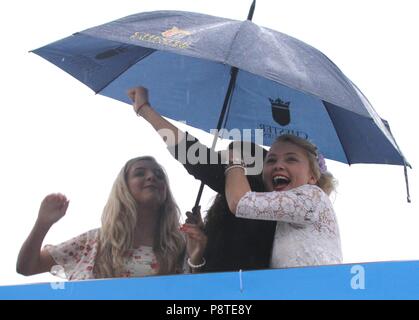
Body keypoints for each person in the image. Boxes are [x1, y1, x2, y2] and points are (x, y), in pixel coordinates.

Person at [128, 87, 277, 272]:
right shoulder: (227, 218)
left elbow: (192, 154)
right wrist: (202, 244)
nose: (225, 165)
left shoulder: (260, 205)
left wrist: (145, 110)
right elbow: (208, 272)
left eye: (230, 164)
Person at [16, 156, 206, 280]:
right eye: (140, 173)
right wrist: (43, 224)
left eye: (159, 175)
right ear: (123, 188)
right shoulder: (93, 241)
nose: (152, 177)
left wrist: (196, 256)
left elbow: (203, 296)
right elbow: (27, 267)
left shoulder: (181, 244)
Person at [224, 134, 343, 268]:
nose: (278, 165)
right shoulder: (280, 219)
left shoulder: (313, 195)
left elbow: (239, 202)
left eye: (291, 159)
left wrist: (234, 162)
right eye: (271, 160)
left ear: (312, 177)